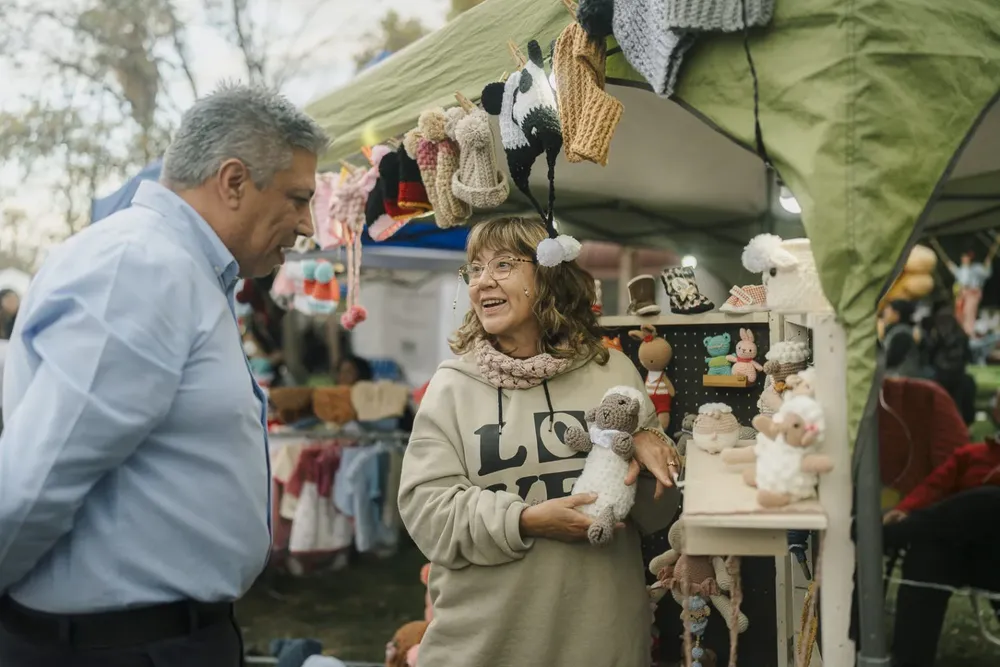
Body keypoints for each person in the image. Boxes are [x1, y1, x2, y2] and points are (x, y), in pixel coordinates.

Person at [0, 84, 328, 667]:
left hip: (149, 640)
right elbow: (34, 482)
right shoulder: (141, 267)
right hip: (117, 647)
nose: (307, 224)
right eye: (298, 198)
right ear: (233, 181)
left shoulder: (178, 269)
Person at [397, 217, 682, 667]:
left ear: (548, 275)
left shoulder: (614, 373)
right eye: (474, 269)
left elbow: (657, 514)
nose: (483, 281)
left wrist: (646, 451)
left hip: (600, 643)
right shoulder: (452, 387)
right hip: (485, 647)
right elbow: (426, 512)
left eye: (504, 264)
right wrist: (526, 521)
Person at [883, 392, 1000, 667]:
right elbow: (933, 487)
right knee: (927, 555)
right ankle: (909, 661)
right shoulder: (973, 456)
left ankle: (891, 536)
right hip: (967, 557)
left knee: (988, 500)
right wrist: (905, 509)